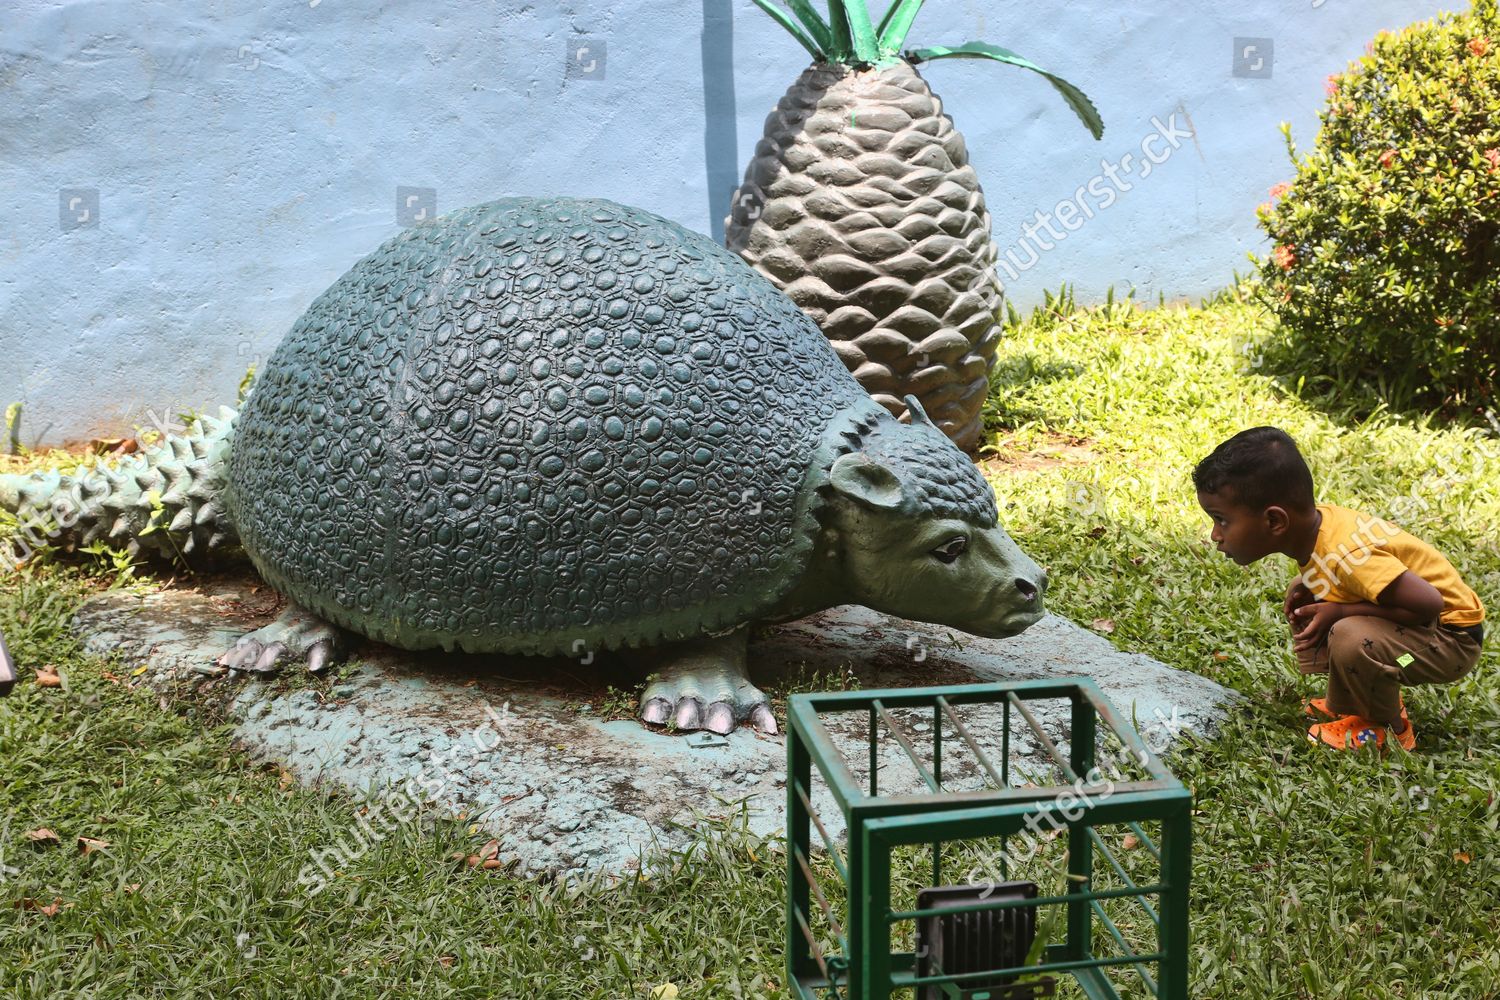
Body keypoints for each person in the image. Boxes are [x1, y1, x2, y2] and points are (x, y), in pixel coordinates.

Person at [1193, 426, 1485, 752]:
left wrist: (1342, 610)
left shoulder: (1347, 556)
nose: (1215, 535)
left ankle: (1387, 728)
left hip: (1447, 647)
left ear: (1275, 521)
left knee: (1352, 636)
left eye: (1222, 520)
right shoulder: (1320, 529)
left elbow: (1429, 604)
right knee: (1306, 591)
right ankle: (1354, 700)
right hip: (1422, 633)